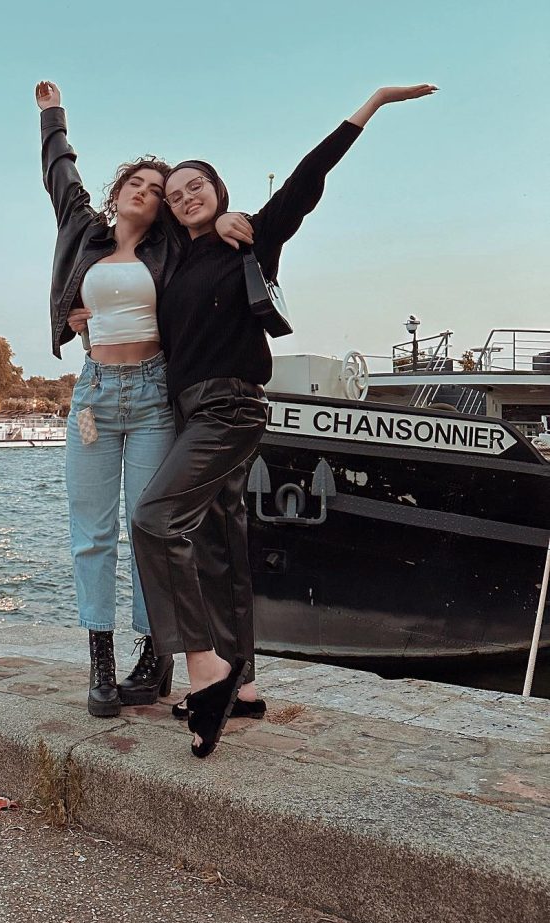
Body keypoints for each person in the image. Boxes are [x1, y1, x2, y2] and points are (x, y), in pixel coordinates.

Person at [131, 84, 438, 757]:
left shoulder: (251, 236)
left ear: (218, 189)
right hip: (189, 413)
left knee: (153, 520)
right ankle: (241, 687)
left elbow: (307, 178)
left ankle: (205, 668)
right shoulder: (173, 259)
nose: (185, 196)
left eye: (196, 185)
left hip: (231, 407)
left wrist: (371, 105)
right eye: (174, 193)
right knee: (219, 548)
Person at [37, 80, 250, 717]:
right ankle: (100, 659)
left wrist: (231, 220)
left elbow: (208, 230)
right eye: (139, 182)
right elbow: (60, 177)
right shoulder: (83, 231)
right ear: (119, 189)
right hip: (93, 401)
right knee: (91, 533)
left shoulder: (170, 249)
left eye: (158, 191)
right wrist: (52, 117)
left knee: (149, 526)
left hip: (155, 395)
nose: (148, 192)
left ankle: (154, 654)